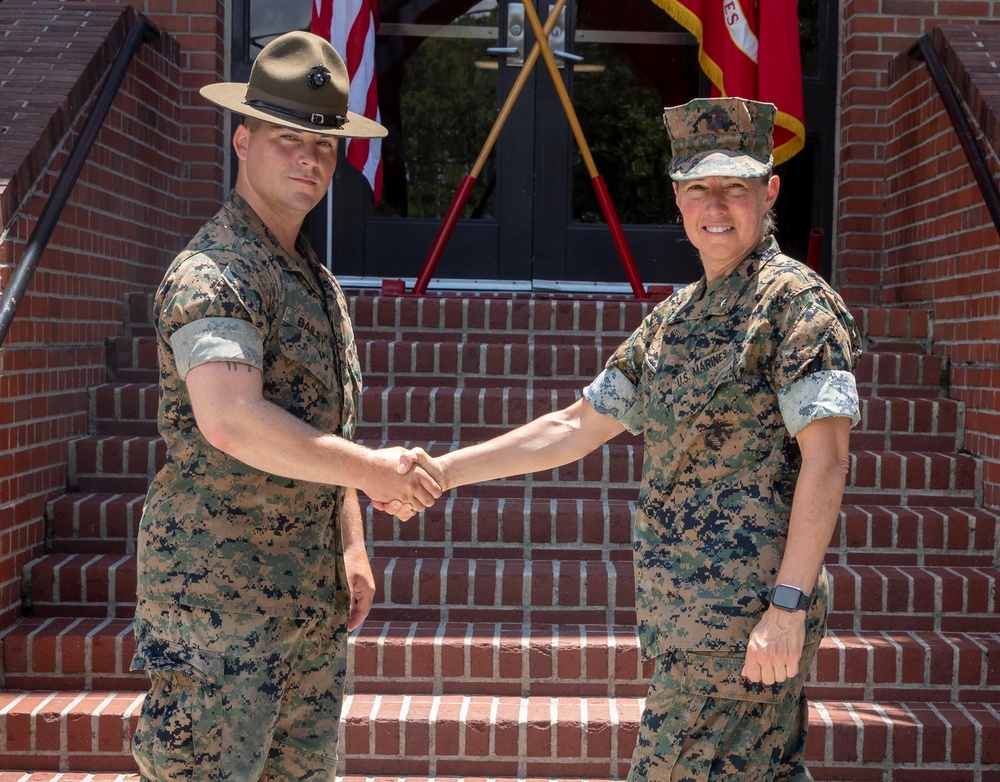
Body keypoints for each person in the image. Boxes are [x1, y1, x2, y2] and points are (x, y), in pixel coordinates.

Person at [382, 98, 862, 780]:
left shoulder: (794, 305)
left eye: (736, 186)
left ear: (770, 190)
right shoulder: (675, 319)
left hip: (743, 623)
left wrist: (788, 605)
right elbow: (574, 427)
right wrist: (444, 472)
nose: (716, 205)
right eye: (700, 187)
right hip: (688, 622)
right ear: (677, 198)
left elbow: (829, 458)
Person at [130, 31, 441, 780]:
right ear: (242, 141)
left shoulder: (314, 282)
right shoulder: (214, 273)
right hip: (219, 610)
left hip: (307, 603)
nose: (310, 159)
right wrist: (371, 470)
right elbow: (231, 420)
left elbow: (317, 433)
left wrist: (352, 546)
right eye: (286, 139)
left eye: (324, 146)